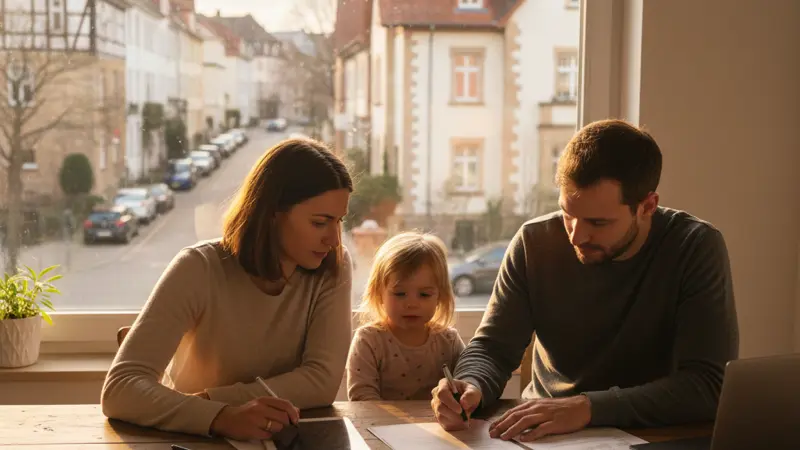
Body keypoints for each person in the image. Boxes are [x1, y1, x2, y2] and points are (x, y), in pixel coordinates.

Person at [431, 119, 739, 442]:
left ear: (647, 206)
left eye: (598, 222)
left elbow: (707, 385)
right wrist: (470, 384)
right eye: (568, 214)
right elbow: (493, 347)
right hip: (544, 437)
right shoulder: (534, 242)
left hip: (652, 436)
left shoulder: (694, 247)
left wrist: (587, 408)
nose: (576, 236)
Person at [102, 138, 354, 442]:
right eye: (320, 223)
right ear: (272, 213)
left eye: (339, 222)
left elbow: (322, 381)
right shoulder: (198, 268)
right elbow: (120, 389)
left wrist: (213, 401)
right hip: (195, 442)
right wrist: (221, 417)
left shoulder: (332, 266)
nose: (334, 239)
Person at [347, 232, 465, 401]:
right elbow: (362, 398)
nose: (412, 304)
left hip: (438, 419)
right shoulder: (369, 341)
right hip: (380, 419)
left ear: (440, 296)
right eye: (400, 293)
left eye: (424, 295)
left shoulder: (449, 341)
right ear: (379, 293)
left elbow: (464, 386)